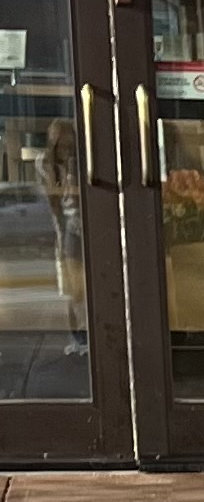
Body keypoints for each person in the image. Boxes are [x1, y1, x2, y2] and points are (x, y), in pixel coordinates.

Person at [39, 114, 87, 357]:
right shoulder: (49, 167)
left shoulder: (82, 162)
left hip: (86, 224)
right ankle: (77, 336)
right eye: (62, 146)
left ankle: (85, 333)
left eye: (70, 145)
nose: (67, 150)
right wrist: (59, 236)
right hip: (69, 227)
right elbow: (54, 205)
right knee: (73, 287)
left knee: (87, 285)